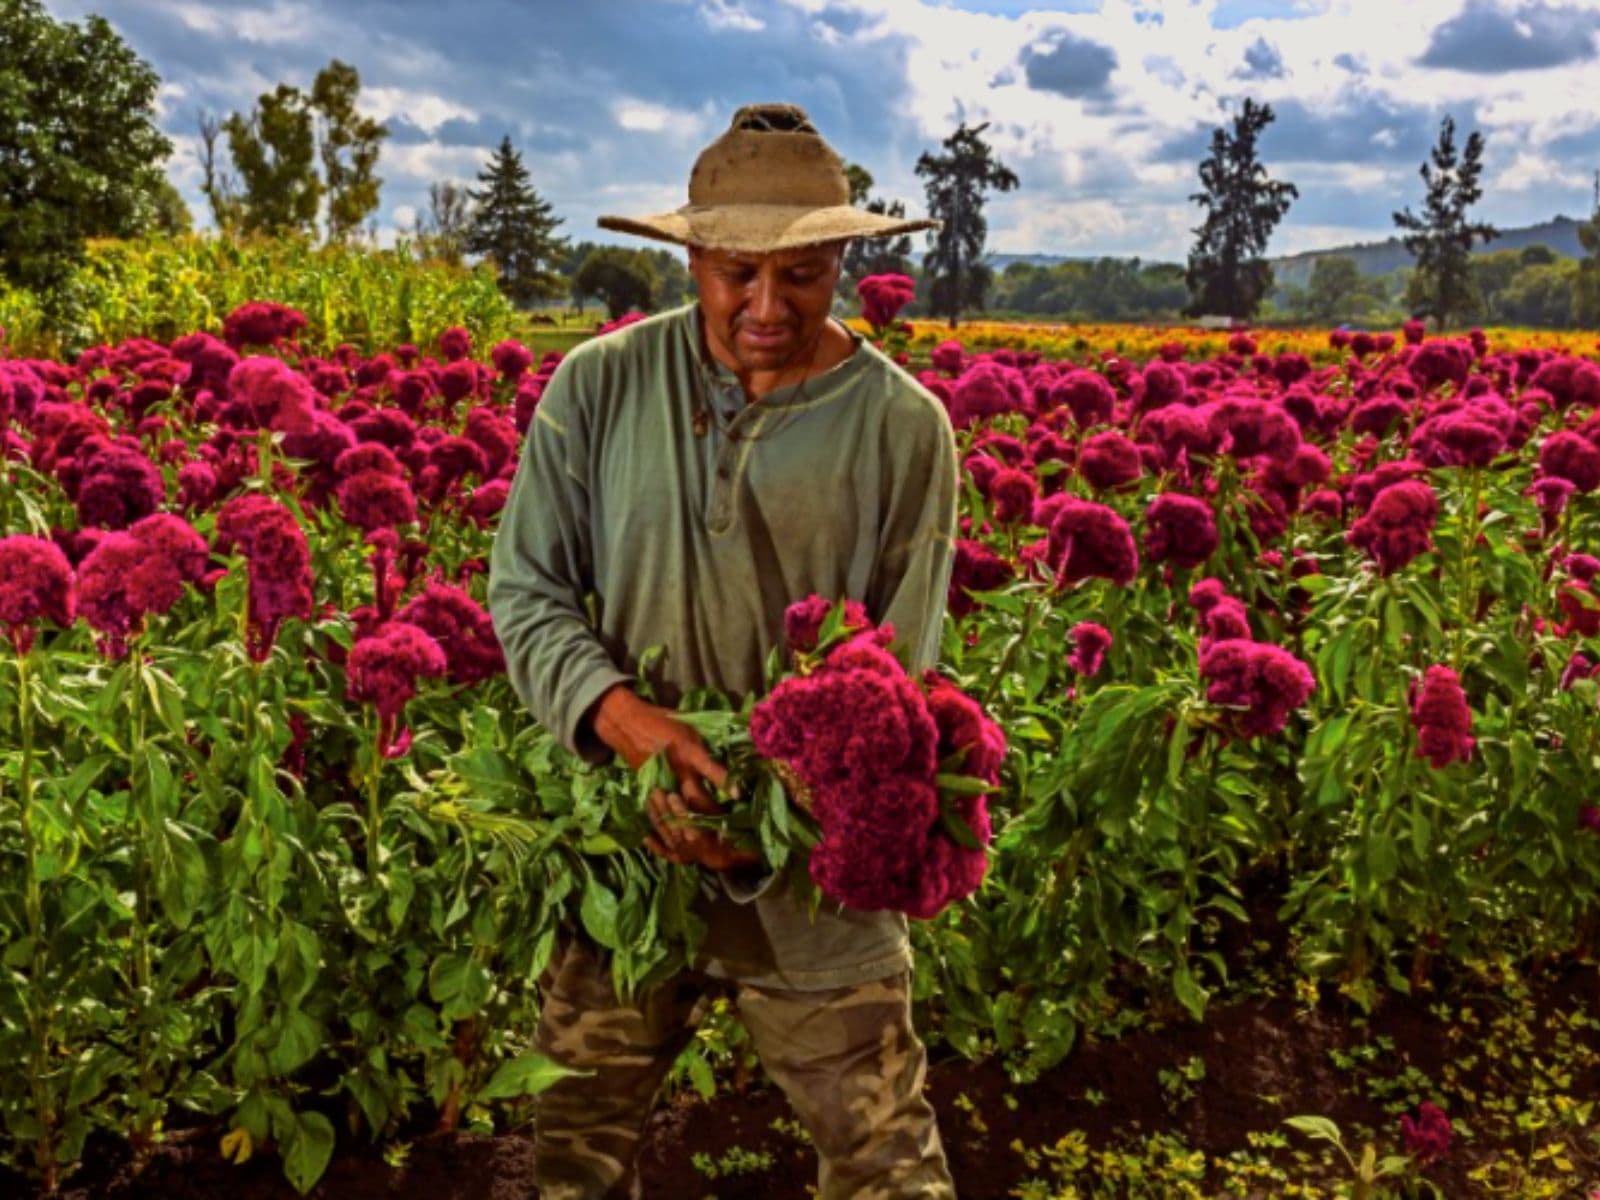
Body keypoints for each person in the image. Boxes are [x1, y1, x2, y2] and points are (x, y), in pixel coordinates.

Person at [487, 102, 959, 1200]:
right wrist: (627, 725)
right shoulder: (598, 385)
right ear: (691, 257)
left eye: (802, 275)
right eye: (736, 273)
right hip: (624, 842)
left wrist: (760, 814)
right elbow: (526, 589)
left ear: (841, 262)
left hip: (812, 875)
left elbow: (898, 680)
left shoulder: (902, 427)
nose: (766, 306)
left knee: (886, 1163)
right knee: (575, 1150)